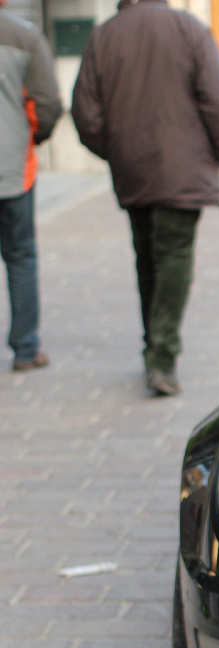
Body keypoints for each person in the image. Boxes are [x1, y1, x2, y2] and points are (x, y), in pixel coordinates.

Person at [71, 0, 219, 396]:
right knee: (173, 257)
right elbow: (218, 102)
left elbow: (85, 114)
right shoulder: (189, 29)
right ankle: (162, 357)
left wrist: (117, 150)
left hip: (133, 167)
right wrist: (217, 152)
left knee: (147, 258)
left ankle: (153, 347)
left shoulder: (103, 36)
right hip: (181, 166)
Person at [0, 1, 61, 372]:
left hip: (14, 166)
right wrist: (32, 137)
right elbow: (47, 104)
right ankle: (25, 348)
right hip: (12, 169)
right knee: (21, 256)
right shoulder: (24, 36)